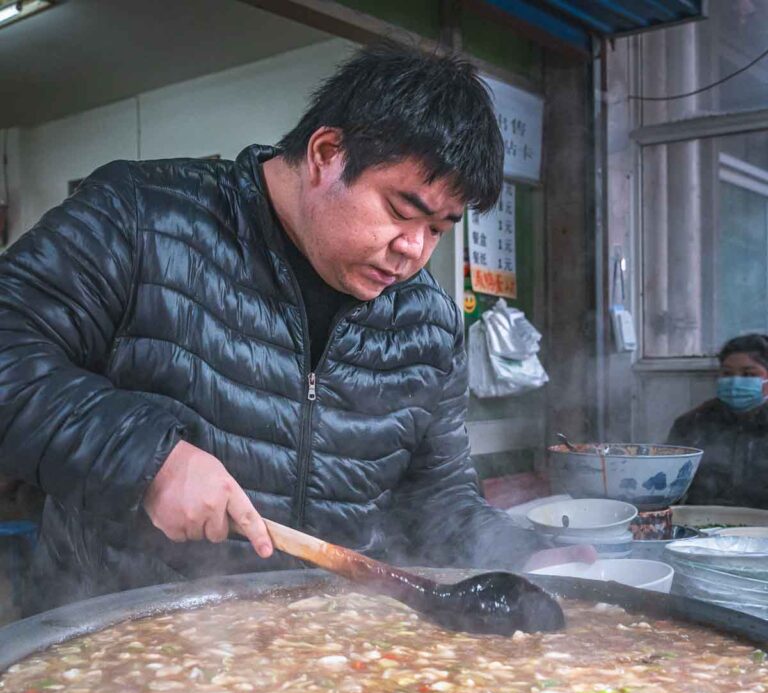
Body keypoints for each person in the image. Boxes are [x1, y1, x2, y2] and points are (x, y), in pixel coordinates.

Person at [0, 43, 563, 615]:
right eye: (400, 210)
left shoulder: (428, 322)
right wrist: (147, 459)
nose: (413, 250)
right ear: (326, 153)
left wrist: (533, 557)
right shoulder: (141, 222)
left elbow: (437, 502)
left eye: (438, 229)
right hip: (115, 643)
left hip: (324, 658)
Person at [667, 333, 768, 508]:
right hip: (704, 524)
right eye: (727, 373)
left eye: (749, 374)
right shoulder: (693, 423)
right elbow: (667, 483)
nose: (735, 381)